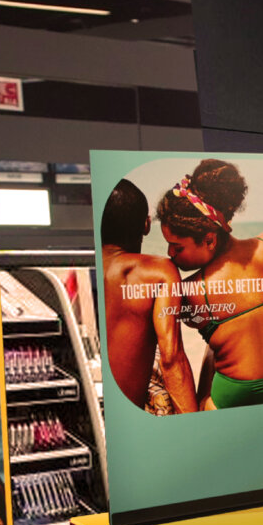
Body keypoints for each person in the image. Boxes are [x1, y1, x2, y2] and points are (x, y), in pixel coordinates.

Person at [158, 161, 263, 409]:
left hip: (235, 397)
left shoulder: (192, 292)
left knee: (206, 394)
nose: (170, 253)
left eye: (177, 247)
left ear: (209, 240)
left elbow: (170, 355)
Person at [101, 178, 198, 415]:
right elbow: (171, 359)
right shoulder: (156, 272)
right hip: (129, 423)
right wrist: (197, 429)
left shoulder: (90, 270)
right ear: (146, 225)